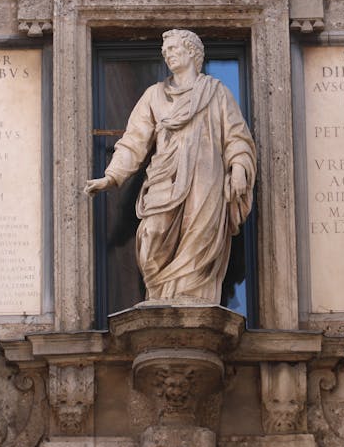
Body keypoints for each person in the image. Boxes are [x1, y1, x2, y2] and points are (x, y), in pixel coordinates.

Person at [85, 29, 256, 304]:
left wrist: (238, 167)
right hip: (164, 175)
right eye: (165, 51)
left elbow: (236, 136)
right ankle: (160, 296)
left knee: (200, 236)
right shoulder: (154, 95)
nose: (168, 55)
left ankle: (196, 299)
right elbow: (133, 141)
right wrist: (112, 176)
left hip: (205, 178)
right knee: (153, 233)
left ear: (192, 52)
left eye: (174, 49)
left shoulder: (217, 93)